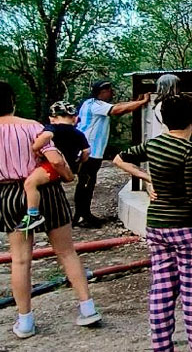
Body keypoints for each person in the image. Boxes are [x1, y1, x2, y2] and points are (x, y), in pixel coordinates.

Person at [113, 94, 192, 352]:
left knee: (161, 291)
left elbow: (118, 159)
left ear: (162, 119)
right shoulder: (189, 153)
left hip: (158, 229)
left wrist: (149, 179)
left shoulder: (155, 145)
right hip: (190, 231)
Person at [1, 81, 101, 338]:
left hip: (9, 195)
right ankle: (87, 308)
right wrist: (69, 175)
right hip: (47, 191)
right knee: (67, 252)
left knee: (20, 259)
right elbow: (55, 158)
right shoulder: (33, 127)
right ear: (12, 100)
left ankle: (25, 322)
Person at [74, 80, 149, 227]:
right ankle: (82, 216)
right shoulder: (95, 105)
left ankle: (83, 214)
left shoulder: (90, 103)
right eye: (109, 90)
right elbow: (117, 110)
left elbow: (119, 107)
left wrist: (135, 102)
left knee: (87, 183)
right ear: (102, 92)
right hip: (90, 151)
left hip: (91, 151)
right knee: (86, 184)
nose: (112, 93)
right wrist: (142, 102)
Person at [16, 101, 91, 231]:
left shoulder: (53, 128)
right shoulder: (79, 133)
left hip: (53, 165)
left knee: (30, 183)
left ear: (53, 117)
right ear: (74, 118)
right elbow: (86, 152)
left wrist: (35, 147)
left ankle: (33, 214)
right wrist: (78, 163)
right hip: (69, 166)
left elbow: (46, 136)